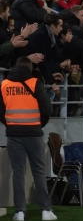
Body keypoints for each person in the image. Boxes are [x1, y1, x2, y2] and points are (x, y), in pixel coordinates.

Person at [0, 56, 56, 220]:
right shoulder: (34, 83)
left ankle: (19, 213)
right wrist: (38, 124)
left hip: (14, 134)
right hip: (34, 133)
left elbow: (0, 111)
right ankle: (46, 211)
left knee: (18, 173)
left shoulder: (4, 85)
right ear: (30, 68)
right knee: (39, 172)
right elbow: (47, 109)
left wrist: (11, 124)